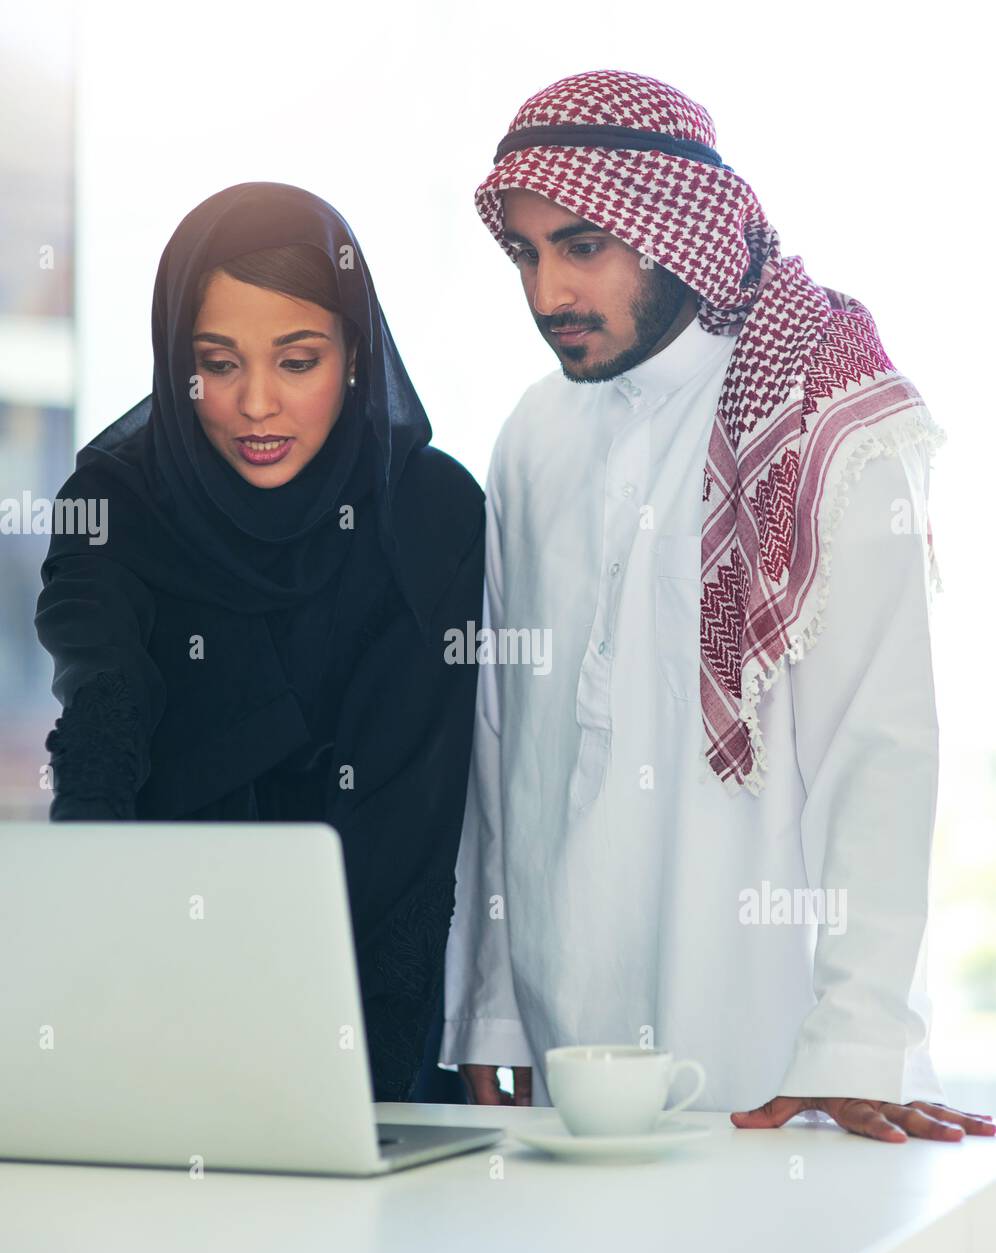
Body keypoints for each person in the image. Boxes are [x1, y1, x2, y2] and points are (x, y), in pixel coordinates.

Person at [441, 70, 995, 1144]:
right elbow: (503, 746)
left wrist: (856, 1042)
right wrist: (494, 1008)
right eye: (526, 251)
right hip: (572, 1072)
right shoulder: (532, 437)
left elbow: (877, 751)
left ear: (675, 231)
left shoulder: (826, 420)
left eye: (583, 246)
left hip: (780, 1079)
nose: (549, 289)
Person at [35, 181, 483, 1103]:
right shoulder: (117, 500)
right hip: (147, 978)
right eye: (218, 363)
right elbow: (102, 701)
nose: (256, 405)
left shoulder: (430, 513)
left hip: (375, 1001)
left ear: (355, 354)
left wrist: (364, 1077)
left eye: (298, 359)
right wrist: (83, 940)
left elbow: (417, 810)